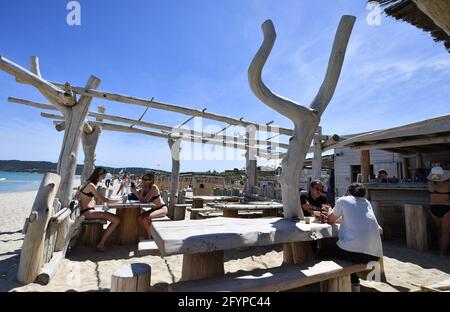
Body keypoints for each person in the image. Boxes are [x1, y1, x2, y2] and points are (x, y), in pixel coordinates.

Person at [325, 183, 383, 291]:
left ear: (348, 192)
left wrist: (328, 210)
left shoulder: (343, 200)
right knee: (348, 253)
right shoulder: (366, 203)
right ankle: (355, 282)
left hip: (355, 253)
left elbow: (330, 219)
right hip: (374, 256)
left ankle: (324, 285)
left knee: (323, 252)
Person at [75, 167, 122, 251]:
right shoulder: (91, 185)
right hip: (87, 212)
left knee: (115, 218)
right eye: (103, 176)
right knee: (116, 219)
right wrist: (121, 200)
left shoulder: (89, 184)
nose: (104, 178)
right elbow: (104, 200)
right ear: (98, 175)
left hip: (87, 211)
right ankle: (101, 244)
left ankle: (102, 240)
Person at [131, 172, 168, 240]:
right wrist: (142, 189)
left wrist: (135, 192)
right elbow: (141, 199)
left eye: (146, 179)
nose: (144, 181)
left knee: (145, 219)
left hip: (162, 208)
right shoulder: (145, 187)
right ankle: (149, 233)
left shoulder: (154, 187)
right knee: (139, 218)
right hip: (154, 209)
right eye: (143, 179)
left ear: (151, 180)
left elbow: (145, 201)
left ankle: (149, 237)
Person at [427, 166, 450, 256]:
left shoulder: (430, 184)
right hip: (446, 208)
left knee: (439, 230)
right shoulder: (447, 184)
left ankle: (441, 249)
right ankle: (442, 253)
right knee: (445, 232)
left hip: (433, 207)